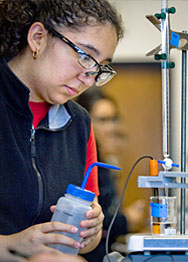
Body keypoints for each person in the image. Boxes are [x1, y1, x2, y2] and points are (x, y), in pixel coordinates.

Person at [0, 0, 123, 258]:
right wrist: (10, 246)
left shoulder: (79, 123)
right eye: (85, 56)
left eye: (100, 68)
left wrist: (90, 230)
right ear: (38, 38)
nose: (89, 78)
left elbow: (83, 242)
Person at [77, 88, 146, 262]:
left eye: (114, 119)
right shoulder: (80, 160)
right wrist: (126, 220)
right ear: (85, 120)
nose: (111, 127)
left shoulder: (103, 161)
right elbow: (83, 216)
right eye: (102, 120)